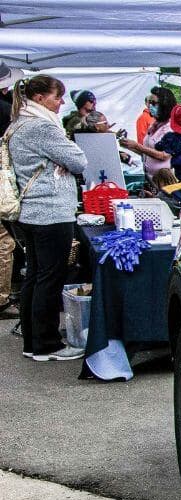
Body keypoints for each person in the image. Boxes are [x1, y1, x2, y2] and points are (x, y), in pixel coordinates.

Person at [7, 75, 88, 361]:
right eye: (57, 97)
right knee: (50, 279)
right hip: (50, 211)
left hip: (29, 211)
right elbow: (79, 160)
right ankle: (47, 344)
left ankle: (33, 342)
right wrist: (63, 162)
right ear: (40, 98)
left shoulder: (19, 123)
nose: (61, 102)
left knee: (35, 277)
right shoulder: (42, 126)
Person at [121, 100, 181, 181]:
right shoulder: (159, 128)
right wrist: (132, 146)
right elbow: (154, 149)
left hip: (177, 177)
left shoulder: (175, 133)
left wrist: (137, 146)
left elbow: (163, 154)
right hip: (163, 176)